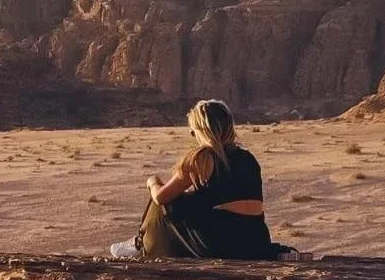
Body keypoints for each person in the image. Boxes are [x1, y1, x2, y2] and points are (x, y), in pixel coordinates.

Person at [108, 98, 278, 260]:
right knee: (187, 200)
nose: (192, 134)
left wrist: (153, 181)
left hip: (221, 244)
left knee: (164, 204)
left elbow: (161, 197)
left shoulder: (201, 158)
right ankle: (140, 243)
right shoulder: (248, 158)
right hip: (255, 241)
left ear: (203, 130)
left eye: (193, 130)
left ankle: (141, 245)